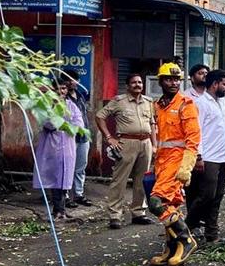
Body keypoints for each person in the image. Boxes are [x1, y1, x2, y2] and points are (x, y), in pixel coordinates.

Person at [145, 63, 200, 266]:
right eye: (169, 79)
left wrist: (186, 167)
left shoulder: (186, 104)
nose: (174, 83)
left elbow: (193, 139)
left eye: (177, 79)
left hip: (177, 162)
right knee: (171, 206)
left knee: (156, 203)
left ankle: (186, 240)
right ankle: (171, 248)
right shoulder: (158, 106)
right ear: (160, 81)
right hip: (162, 162)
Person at [95, 73, 157, 230]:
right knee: (119, 180)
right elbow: (99, 116)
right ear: (128, 86)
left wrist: (154, 145)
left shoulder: (148, 102)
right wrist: (109, 137)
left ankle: (138, 212)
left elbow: (153, 125)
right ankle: (115, 215)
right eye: (134, 82)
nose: (138, 85)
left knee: (142, 180)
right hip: (126, 143)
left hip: (145, 142)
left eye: (140, 82)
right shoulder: (119, 101)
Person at [186, 69, 225, 244]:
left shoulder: (221, 103)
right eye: (224, 84)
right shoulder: (200, 104)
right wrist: (198, 156)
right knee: (206, 195)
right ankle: (186, 227)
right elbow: (196, 131)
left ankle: (212, 234)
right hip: (208, 157)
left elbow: (224, 128)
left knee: (217, 197)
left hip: (222, 156)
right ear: (215, 84)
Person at [33, 79, 83, 221]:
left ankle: (61, 210)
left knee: (65, 177)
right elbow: (48, 124)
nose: (61, 92)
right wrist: (66, 125)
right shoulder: (45, 106)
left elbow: (78, 124)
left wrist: (65, 125)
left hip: (67, 145)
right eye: (58, 89)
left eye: (63, 89)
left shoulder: (71, 105)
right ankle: (57, 210)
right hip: (51, 146)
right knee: (54, 178)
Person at [61, 69, 93, 209]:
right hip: (69, 136)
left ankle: (79, 194)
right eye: (68, 80)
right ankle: (65, 196)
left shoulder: (81, 95)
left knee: (81, 166)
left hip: (83, 136)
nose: (71, 82)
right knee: (67, 166)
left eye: (73, 79)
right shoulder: (62, 98)